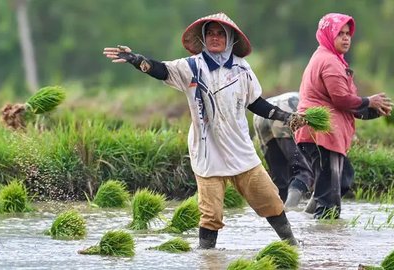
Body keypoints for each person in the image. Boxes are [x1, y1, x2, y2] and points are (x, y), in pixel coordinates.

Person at [103, 13, 305, 248]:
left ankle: (291, 244)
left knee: (270, 200)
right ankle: (207, 257)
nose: (215, 37)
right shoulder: (191, 67)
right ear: (203, 37)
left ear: (229, 39)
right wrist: (136, 60)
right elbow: (162, 70)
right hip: (207, 150)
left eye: (220, 34)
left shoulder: (242, 69)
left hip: (240, 149)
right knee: (211, 214)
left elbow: (255, 102)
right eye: (210, 33)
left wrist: (285, 117)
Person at [294, 13, 392, 219]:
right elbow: (341, 99)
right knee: (330, 202)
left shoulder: (329, 58)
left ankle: (307, 218)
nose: (346, 38)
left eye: (348, 34)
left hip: (324, 134)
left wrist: (375, 110)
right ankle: (326, 245)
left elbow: (345, 105)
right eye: (340, 33)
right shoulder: (329, 62)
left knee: (343, 179)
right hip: (321, 135)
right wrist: (369, 101)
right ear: (328, 34)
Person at [253, 92, 314, 209]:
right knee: (303, 172)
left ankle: (278, 212)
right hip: (285, 111)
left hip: (262, 114)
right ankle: (289, 211)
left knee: (279, 177)